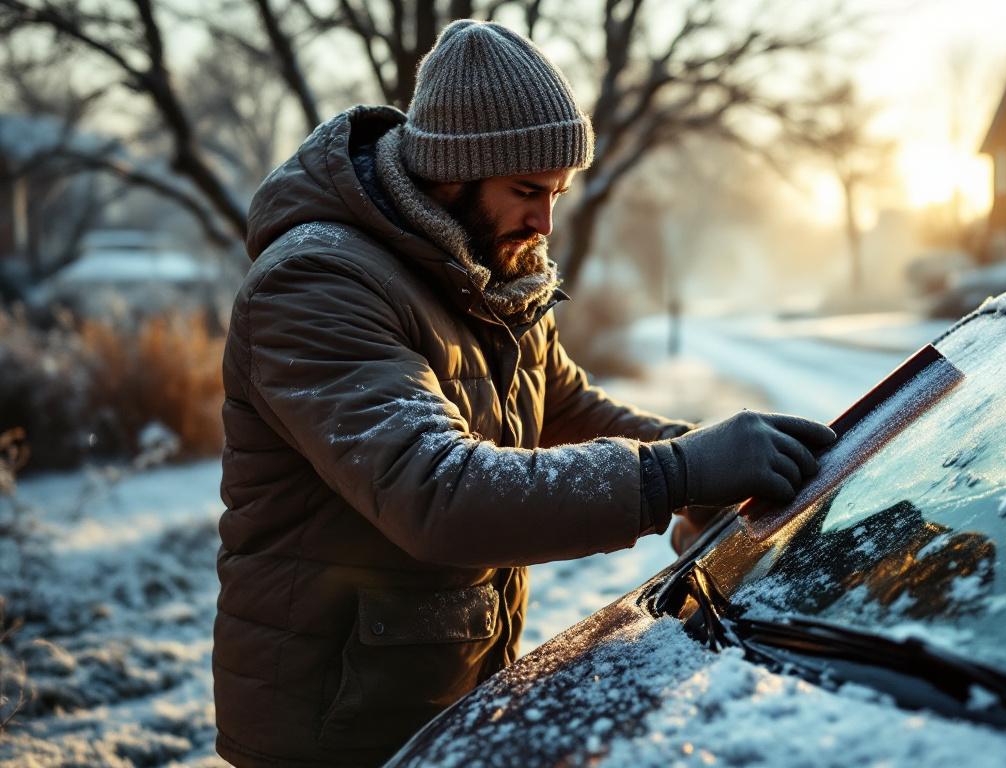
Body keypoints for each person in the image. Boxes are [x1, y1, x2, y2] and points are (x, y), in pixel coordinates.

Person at [212, 19, 835, 768]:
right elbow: (437, 492)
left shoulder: (487, 268)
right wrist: (676, 473)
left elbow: (566, 409)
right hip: (332, 724)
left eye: (558, 194)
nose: (544, 222)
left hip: (444, 692)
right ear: (452, 170)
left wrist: (722, 457)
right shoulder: (317, 285)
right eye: (526, 191)